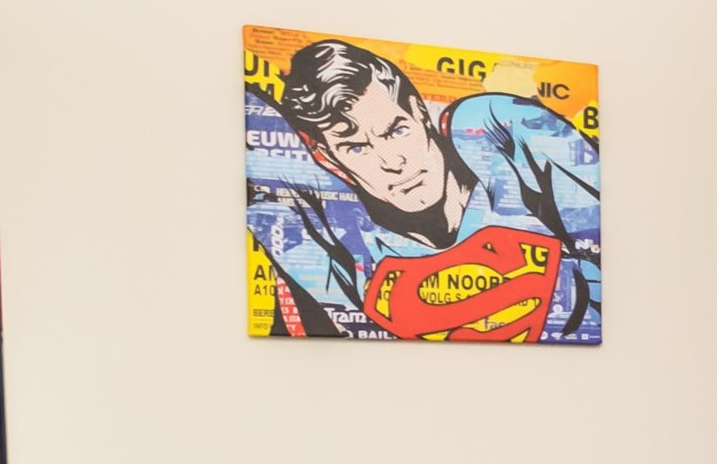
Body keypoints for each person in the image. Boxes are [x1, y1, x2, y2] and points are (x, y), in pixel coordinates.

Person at [249, 37, 601, 341]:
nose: (393, 161)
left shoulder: (492, 131)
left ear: (419, 112)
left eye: (396, 130)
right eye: (357, 148)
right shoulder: (346, 237)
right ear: (329, 159)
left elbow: (597, 245)